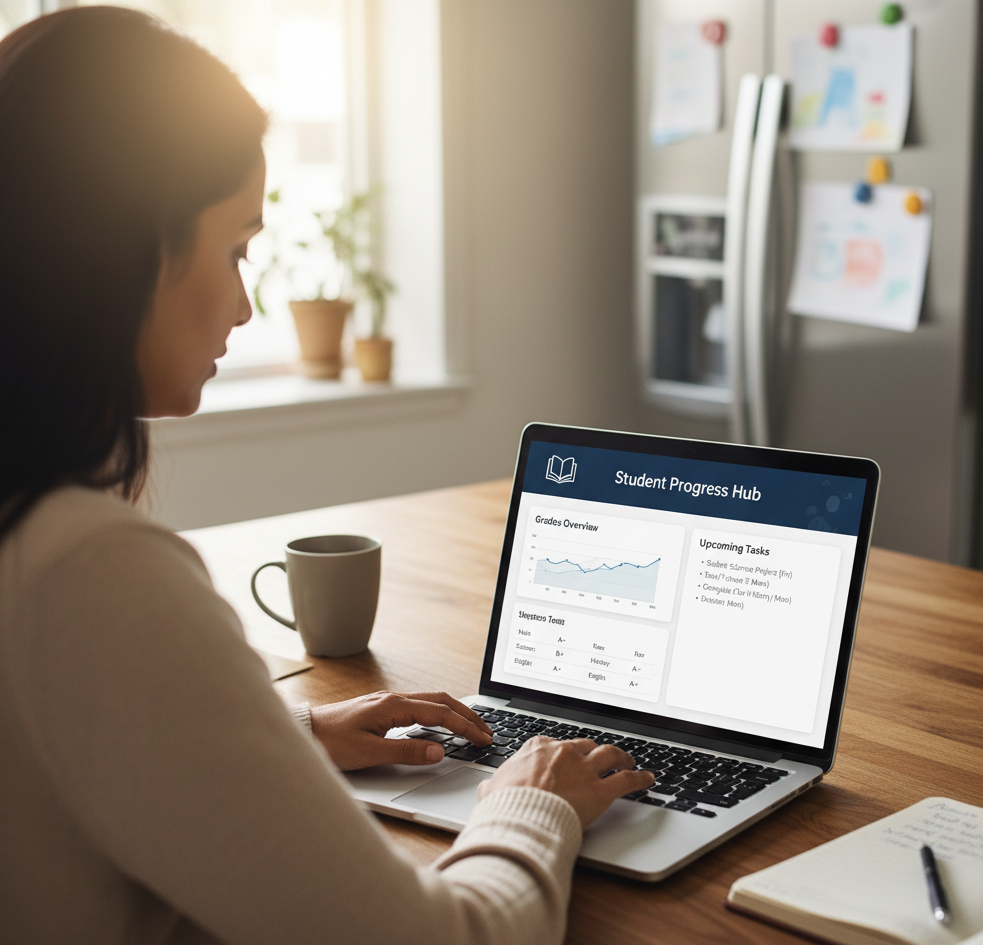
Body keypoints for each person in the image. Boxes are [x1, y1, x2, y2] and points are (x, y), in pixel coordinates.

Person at [0, 8, 654, 944]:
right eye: (235, 248)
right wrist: (532, 799)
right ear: (125, 248)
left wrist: (282, 740)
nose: (245, 303)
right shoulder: (88, 571)